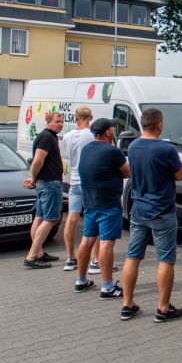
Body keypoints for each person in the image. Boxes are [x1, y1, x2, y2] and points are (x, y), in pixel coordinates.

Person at [122, 109, 182, 321]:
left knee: (133, 256)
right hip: (161, 209)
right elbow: (178, 174)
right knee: (166, 259)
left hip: (138, 208)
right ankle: (163, 308)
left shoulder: (133, 146)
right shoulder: (166, 149)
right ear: (159, 124)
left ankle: (127, 303)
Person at [74, 119, 130, 300]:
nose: (114, 130)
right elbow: (128, 172)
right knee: (107, 243)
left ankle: (81, 280)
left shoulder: (87, 149)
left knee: (87, 239)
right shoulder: (113, 152)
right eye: (112, 128)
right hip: (109, 204)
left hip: (90, 202)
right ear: (108, 132)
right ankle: (107, 287)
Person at [22, 111, 64, 269]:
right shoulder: (46, 137)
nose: (60, 124)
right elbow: (38, 160)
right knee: (51, 219)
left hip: (44, 183)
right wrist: (33, 178)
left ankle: (39, 253)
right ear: (48, 121)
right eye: (57, 121)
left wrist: (34, 179)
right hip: (49, 184)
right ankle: (32, 256)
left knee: (40, 218)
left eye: (61, 122)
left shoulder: (49, 136)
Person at [60, 106, 94, 271]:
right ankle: (94, 260)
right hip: (88, 181)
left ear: (76, 118)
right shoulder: (91, 135)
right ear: (91, 118)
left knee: (72, 218)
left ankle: (70, 258)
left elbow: (68, 155)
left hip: (73, 181)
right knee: (92, 218)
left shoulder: (66, 136)